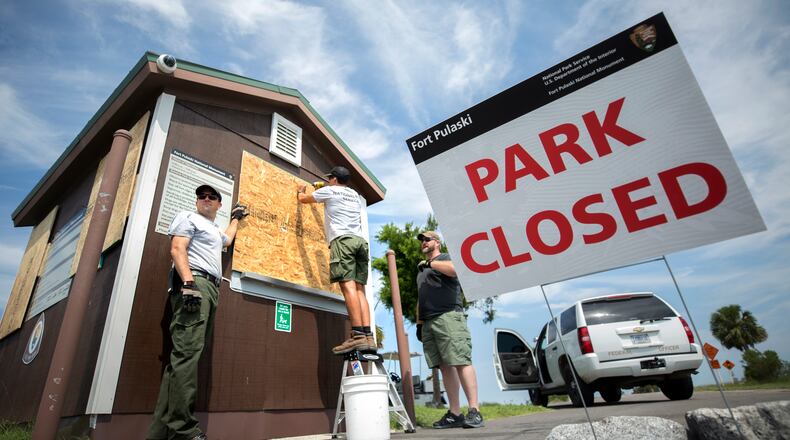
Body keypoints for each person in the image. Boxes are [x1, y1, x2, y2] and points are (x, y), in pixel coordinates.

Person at [147, 184, 248, 440]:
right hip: (195, 285)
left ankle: (160, 434)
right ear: (196, 201)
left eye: (212, 197)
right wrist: (189, 283)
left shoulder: (213, 228)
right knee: (187, 355)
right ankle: (184, 430)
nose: (206, 199)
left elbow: (227, 239)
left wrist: (236, 218)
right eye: (201, 196)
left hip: (211, 288)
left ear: (218, 205)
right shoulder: (188, 217)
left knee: (181, 360)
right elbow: (177, 249)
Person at [297, 166, 375, 354]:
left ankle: (357, 336)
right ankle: (368, 337)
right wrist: (325, 189)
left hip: (343, 241)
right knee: (359, 290)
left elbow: (303, 200)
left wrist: (300, 191)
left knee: (347, 288)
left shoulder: (329, 190)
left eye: (330, 178)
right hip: (360, 243)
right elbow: (336, 197)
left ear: (333, 179)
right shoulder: (354, 195)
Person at [415, 231, 484, 429]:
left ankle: (474, 410)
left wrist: (430, 264)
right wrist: (419, 324)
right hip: (429, 322)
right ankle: (455, 413)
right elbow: (421, 298)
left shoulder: (445, 259)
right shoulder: (421, 269)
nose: (424, 243)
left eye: (427, 239)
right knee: (444, 366)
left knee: (461, 360)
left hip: (448, 316)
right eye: (422, 241)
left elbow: (454, 270)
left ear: (437, 242)